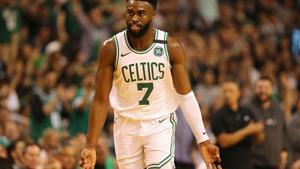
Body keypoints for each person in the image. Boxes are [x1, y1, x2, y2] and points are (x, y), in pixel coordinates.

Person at [80, 0, 221, 169]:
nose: (134, 18)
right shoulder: (111, 48)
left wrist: (203, 140)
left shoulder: (170, 46)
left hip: (159, 124)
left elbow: (185, 96)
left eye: (141, 13)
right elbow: (100, 100)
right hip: (125, 126)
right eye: (130, 12)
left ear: (153, 14)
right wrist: (90, 145)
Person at [211, 80, 264, 169]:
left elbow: (260, 139)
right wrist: (248, 130)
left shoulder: (248, 110)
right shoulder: (218, 115)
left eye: (231, 91)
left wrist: (258, 132)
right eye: (225, 91)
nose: (227, 95)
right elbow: (224, 142)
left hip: (248, 164)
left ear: (239, 93)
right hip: (227, 164)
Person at [248, 76, 289, 169]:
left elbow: (284, 131)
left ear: (272, 89)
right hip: (252, 162)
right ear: (255, 88)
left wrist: (284, 151)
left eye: (266, 87)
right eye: (260, 87)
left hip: (274, 161)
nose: (263, 91)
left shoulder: (278, 108)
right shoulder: (247, 108)